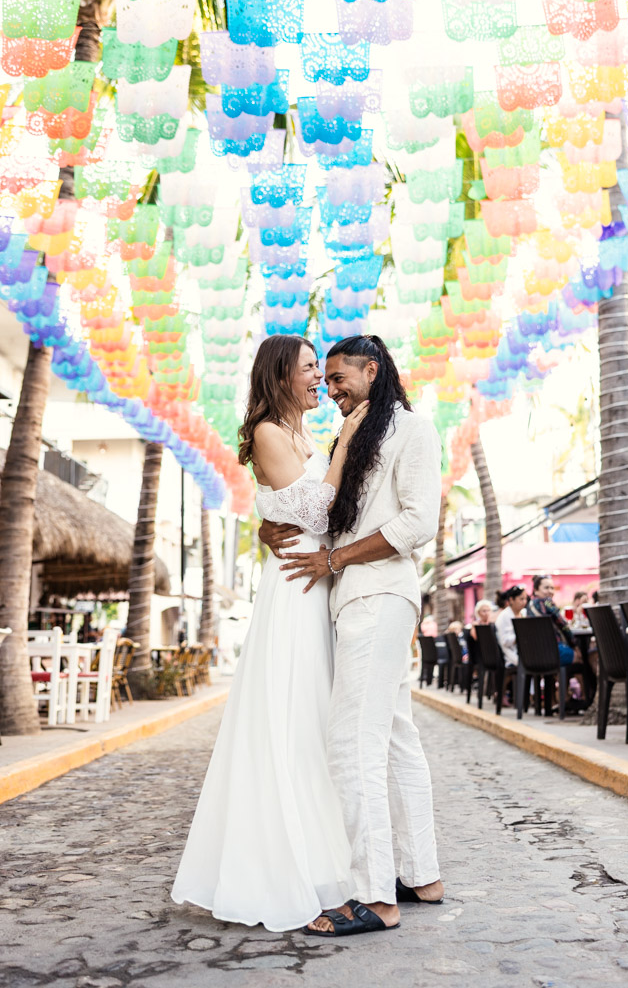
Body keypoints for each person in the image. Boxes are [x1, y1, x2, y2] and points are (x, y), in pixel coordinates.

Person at [171, 334, 369, 932]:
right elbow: (315, 511)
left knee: (317, 719)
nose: (321, 380)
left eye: (323, 371)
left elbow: (302, 507)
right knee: (292, 717)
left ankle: (325, 855)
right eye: (311, 369)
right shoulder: (268, 431)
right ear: (281, 373)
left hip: (320, 580)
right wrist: (345, 445)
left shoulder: (303, 435)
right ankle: (284, 866)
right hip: (294, 588)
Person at [262, 333, 444, 937]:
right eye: (325, 379)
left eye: (339, 379)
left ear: (373, 370)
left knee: (351, 743)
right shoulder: (353, 435)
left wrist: (335, 563)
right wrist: (273, 525)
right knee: (392, 735)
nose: (331, 389)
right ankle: (421, 876)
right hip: (355, 602)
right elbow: (324, 509)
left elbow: (418, 521)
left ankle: (374, 897)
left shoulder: (411, 429)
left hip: (379, 596)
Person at [527, 575, 576, 665]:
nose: (550, 591)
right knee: (581, 657)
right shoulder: (547, 602)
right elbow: (563, 625)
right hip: (552, 651)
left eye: (552, 588)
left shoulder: (529, 604)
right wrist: (574, 644)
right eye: (546, 588)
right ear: (536, 590)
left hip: (533, 653)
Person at [494, 585, 528, 667]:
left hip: (522, 652)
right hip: (511, 656)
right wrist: (522, 636)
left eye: (525, 599)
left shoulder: (523, 613)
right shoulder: (504, 616)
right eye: (521, 599)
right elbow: (505, 642)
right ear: (511, 600)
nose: (524, 602)